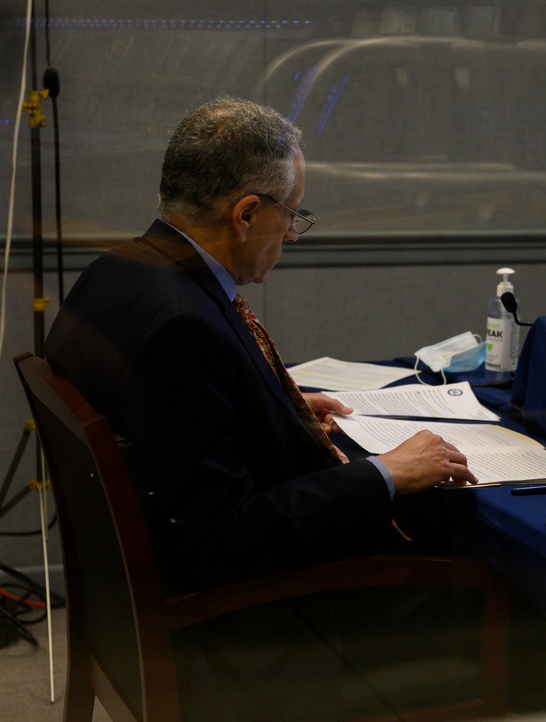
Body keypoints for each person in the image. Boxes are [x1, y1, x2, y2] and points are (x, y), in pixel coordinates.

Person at [45, 96, 478, 588]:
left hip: (149, 570)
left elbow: (176, 430)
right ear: (246, 215)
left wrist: (271, 413)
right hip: (255, 606)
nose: (292, 234)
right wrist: (384, 473)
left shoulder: (113, 273)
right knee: (485, 556)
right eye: (292, 215)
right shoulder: (182, 328)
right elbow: (223, 538)